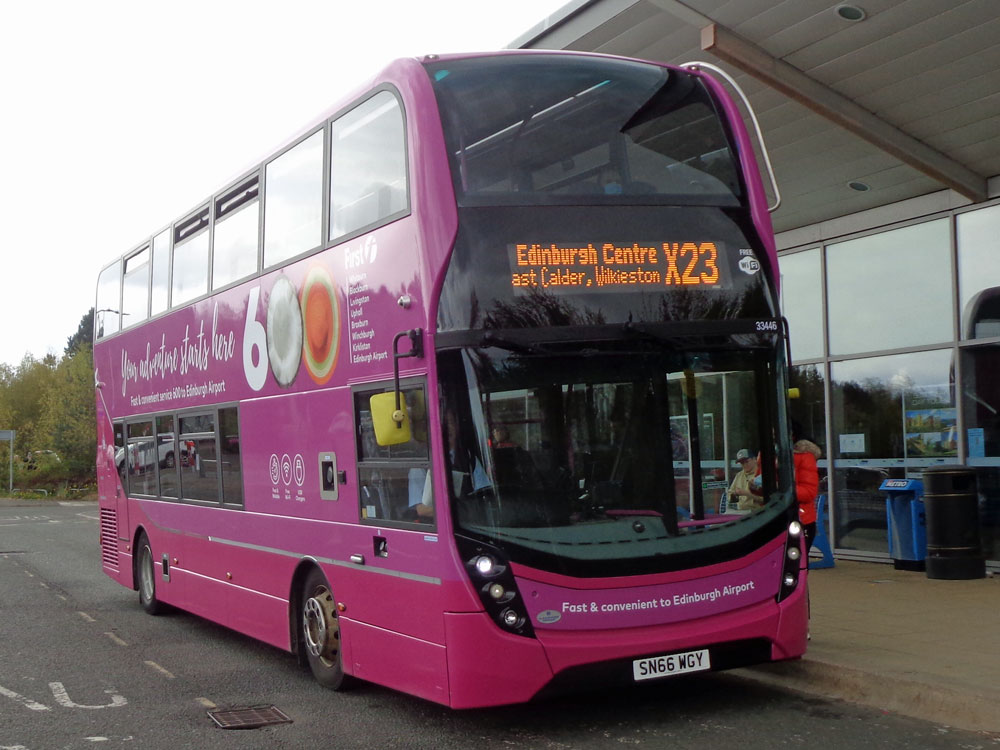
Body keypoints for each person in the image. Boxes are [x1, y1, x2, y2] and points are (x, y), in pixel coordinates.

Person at [792, 424, 822, 551]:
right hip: (772, 518)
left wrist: (782, 489)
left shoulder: (804, 456)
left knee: (797, 558)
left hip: (800, 519)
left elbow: (809, 492)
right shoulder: (767, 454)